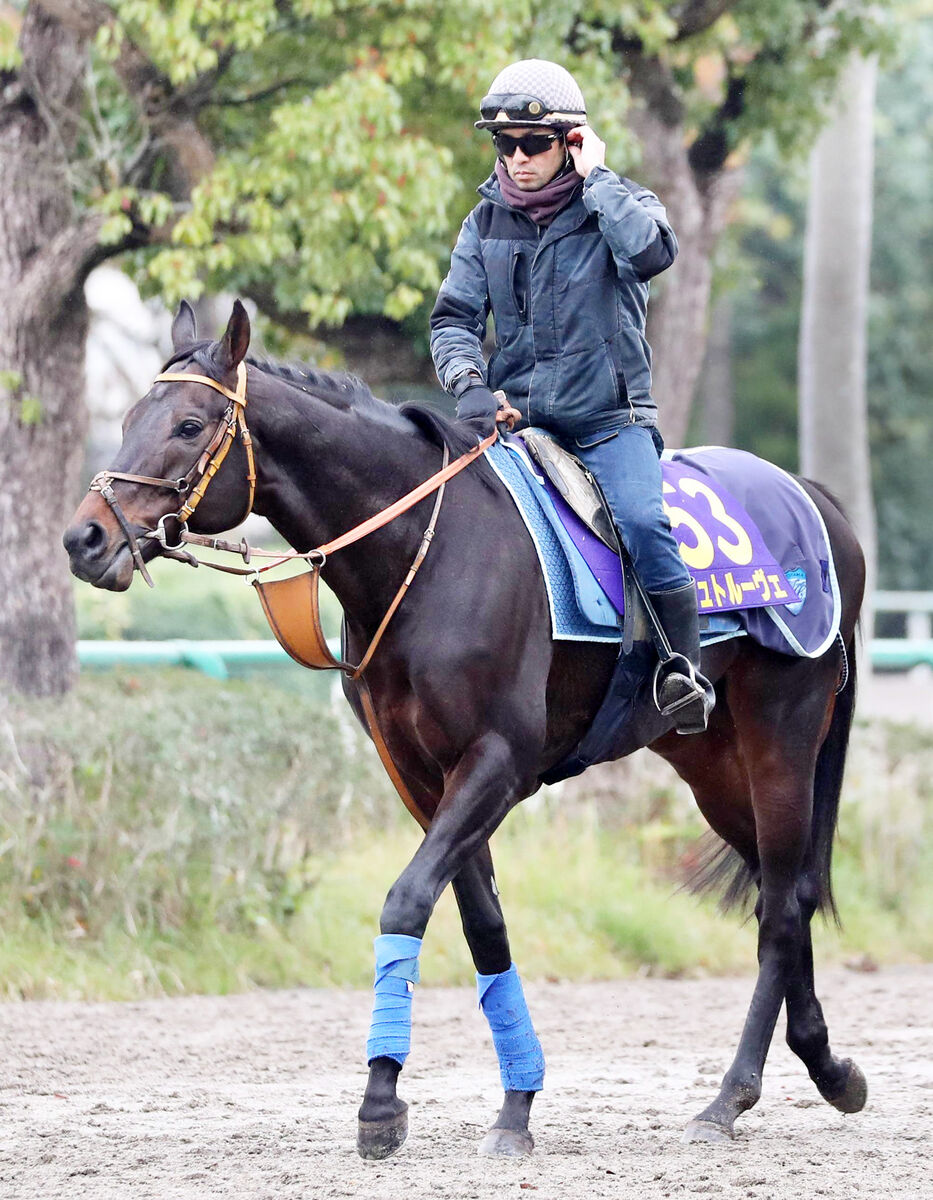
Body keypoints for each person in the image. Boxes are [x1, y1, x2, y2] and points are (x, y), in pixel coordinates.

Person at [430, 58, 714, 734]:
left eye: (534, 144)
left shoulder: (620, 204)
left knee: (643, 525)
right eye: (504, 145)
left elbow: (651, 255)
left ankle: (684, 669)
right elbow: (453, 320)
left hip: (608, 424)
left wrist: (600, 179)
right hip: (512, 422)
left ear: (572, 143)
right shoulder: (482, 224)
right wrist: (468, 384)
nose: (518, 159)